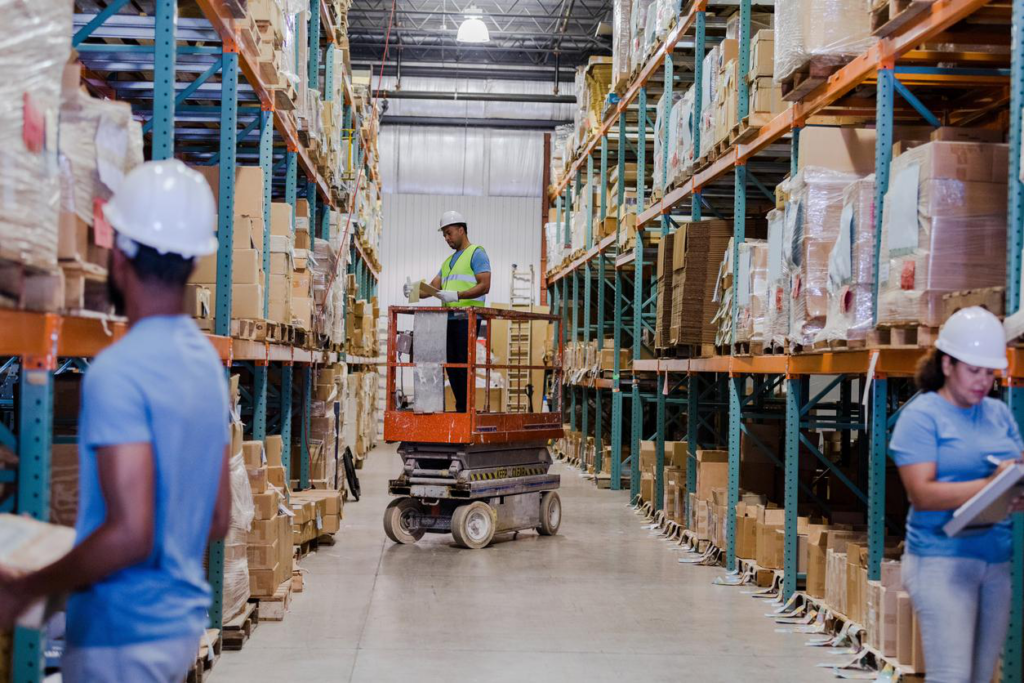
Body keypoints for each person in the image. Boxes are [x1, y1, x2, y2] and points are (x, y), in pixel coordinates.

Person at [0, 160, 232, 683]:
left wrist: (27, 588)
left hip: (120, 635)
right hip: (178, 628)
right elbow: (216, 519)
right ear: (195, 259)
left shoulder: (118, 372)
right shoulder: (205, 366)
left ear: (120, 255)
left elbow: (130, 533)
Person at [889, 306, 1024, 683]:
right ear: (947, 365)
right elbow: (922, 494)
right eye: (974, 371)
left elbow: (1013, 474)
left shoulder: (998, 413)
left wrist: (1014, 490)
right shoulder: (922, 417)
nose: (983, 382)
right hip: (940, 563)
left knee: (982, 677)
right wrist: (992, 484)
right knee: (951, 675)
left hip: (995, 563)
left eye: (989, 373)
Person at [404, 210, 491, 412]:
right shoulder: (448, 262)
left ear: (461, 230)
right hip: (449, 320)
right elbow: (433, 287)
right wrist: (414, 291)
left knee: (462, 366)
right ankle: (462, 408)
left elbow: (485, 285)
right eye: (444, 234)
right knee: (452, 367)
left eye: (449, 233)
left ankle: (466, 410)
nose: (446, 238)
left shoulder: (477, 253)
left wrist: (458, 295)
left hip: (467, 319)